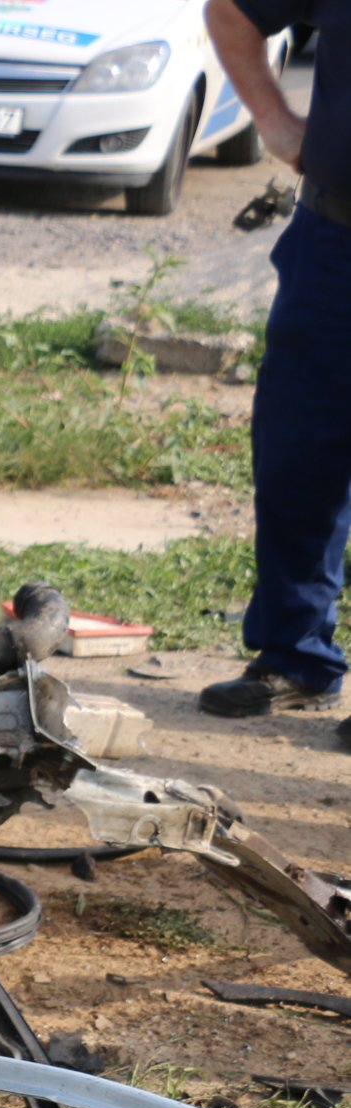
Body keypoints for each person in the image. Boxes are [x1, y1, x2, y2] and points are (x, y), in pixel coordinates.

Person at [196, 0, 350, 732]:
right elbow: (230, 11)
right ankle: (295, 654)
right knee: (297, 454)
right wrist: (274, 120)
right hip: (334, 243)